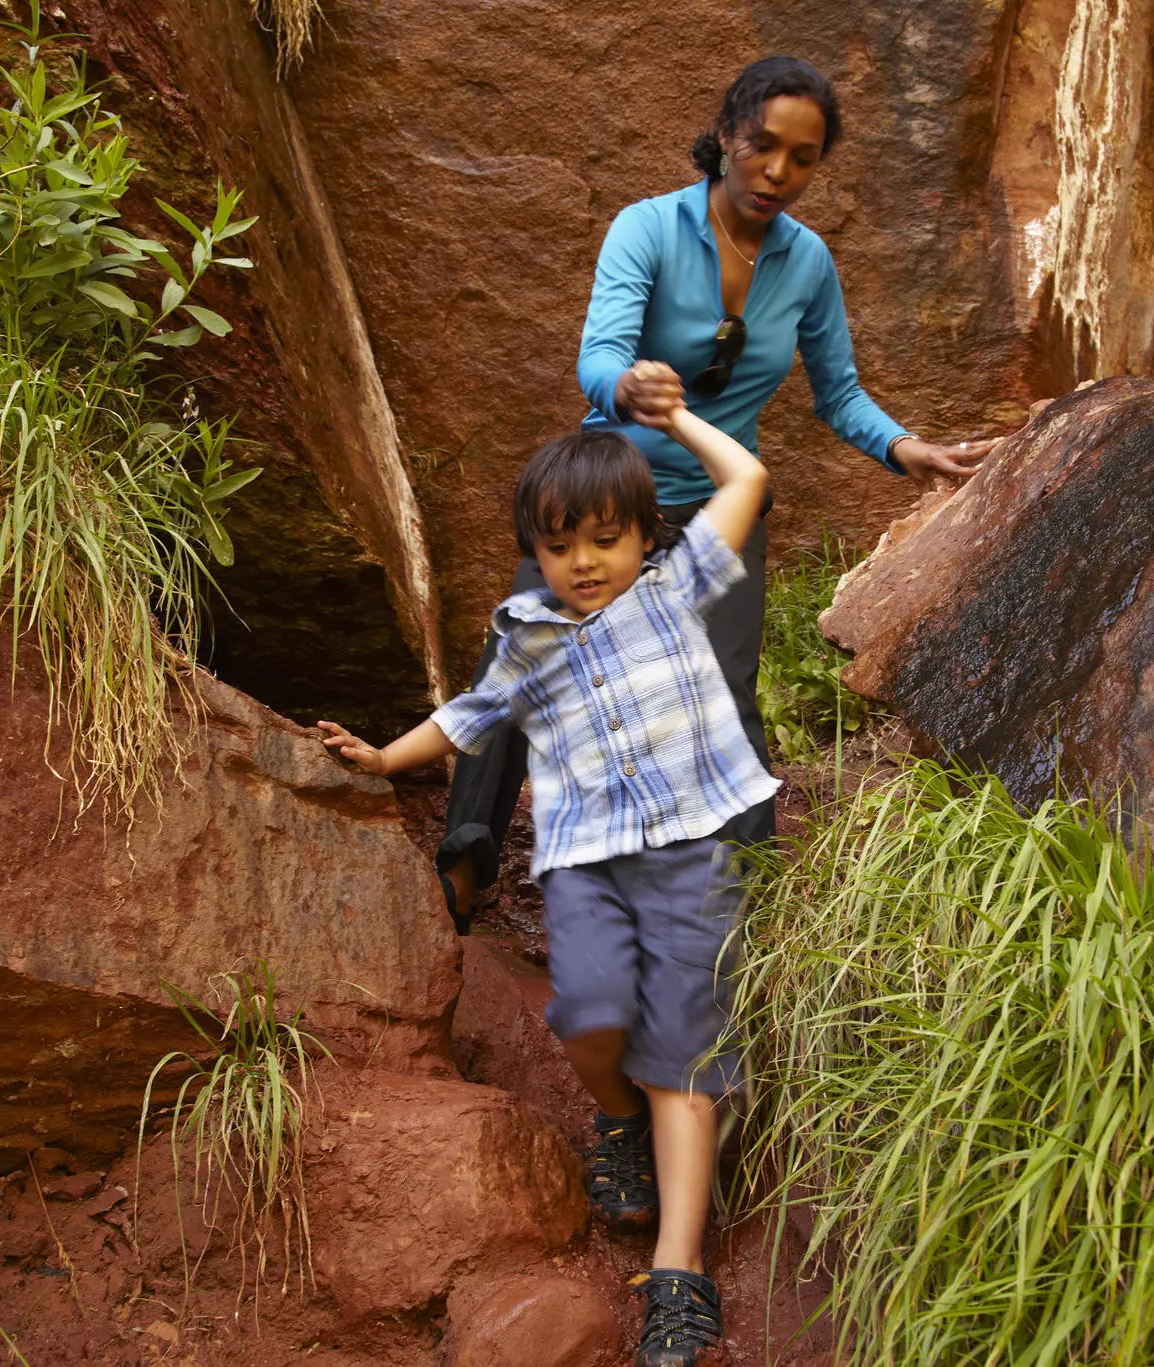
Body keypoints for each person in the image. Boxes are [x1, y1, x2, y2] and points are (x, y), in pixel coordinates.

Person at [436, 55, 997, 929]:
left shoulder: (807, 263)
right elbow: (598, 355)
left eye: (802, 158)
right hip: (609, 495)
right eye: (762, 145)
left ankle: (749, 902)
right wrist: (627, 389)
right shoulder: (649, 229)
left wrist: (906, 447)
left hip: (720, 508)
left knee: (727, 692)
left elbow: (838, 392)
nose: (777, 171)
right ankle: (465, 862)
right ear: (727, 133)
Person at [318, 401, 775, 1366]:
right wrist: (378, 759)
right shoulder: (527, 639)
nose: (584, 562)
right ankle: (620, 1122)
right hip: (584, 862)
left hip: (691, 852)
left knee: (683, 1062)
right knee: (592, 1015)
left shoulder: (675, 591)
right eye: (560, 545)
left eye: (607, 540)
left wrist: (681, 417)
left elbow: (747, 483)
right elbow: (466, 720)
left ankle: (679, 1274)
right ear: (536, 551)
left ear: (647, 537)